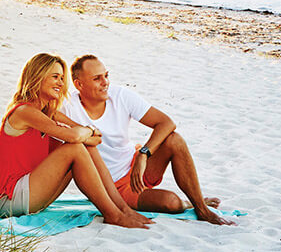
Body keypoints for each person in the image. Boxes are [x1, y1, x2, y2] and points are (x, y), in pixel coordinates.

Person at [63, 54, 232, 225]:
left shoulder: (120, 95)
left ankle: (201, 207)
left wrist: (144, 154)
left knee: (175, 139)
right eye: (97, 78)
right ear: (79, 84)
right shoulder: (68, 108)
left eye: (106, 75)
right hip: (115, 187)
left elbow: (166, 123)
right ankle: (188, 203)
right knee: (172, 203)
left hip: (138, 166)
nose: (105, 82)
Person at [0, 53, 151, 229]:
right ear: (38, 76)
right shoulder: (24, 112)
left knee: (83, 147)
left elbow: (95, 140)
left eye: (62, 78)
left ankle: (122, 209)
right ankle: (113, 214)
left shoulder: (48, 112)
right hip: (8, 201)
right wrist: (87, 130)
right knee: (74, 148)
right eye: (55, 77)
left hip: (31, 195)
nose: (60, 83)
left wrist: (85, 133)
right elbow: (77, 136)